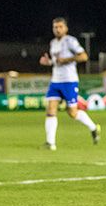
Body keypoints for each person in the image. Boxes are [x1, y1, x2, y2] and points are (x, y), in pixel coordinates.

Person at [39, 17, 101, 151]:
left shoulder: (70, 41)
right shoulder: (53, 43)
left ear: (66, 28)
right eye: (55, 27)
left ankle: (93, 128)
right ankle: (50, 143)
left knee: (72, 113)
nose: (57, 29)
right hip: (56, 81)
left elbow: (84, 56)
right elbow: (56, 61)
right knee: (51, 109)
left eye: (60, 27)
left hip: (69, 80)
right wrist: (48, 62)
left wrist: (67, 59)